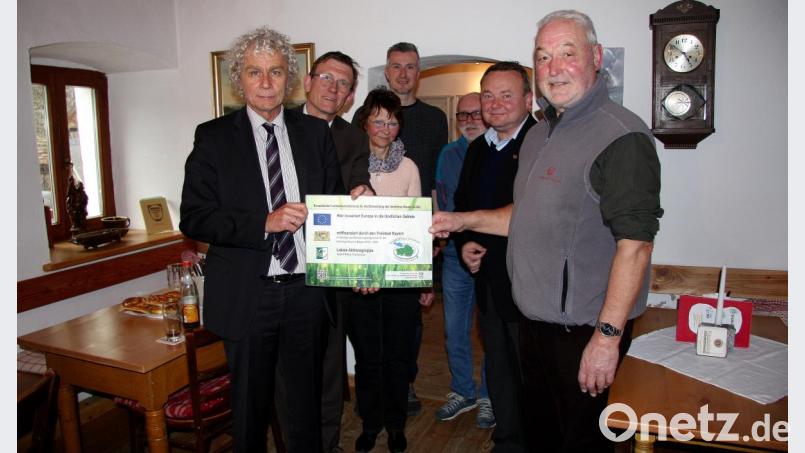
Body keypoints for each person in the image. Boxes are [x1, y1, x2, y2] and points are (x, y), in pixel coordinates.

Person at [430, 10, 663, 452]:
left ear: (596, 58)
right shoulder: (541, 135)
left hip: (583, 333)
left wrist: (606, 339)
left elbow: (636, 247)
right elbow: (527, 214)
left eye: (567, 54)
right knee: (540, 438)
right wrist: (461, 221)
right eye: (543, 57)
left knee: (581, 444)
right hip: (532, 325)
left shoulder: (622, 135)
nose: (554, 68)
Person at [179, 26, 344, 452]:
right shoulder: (213, 138)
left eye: (275, 72)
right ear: (239, 80)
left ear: (290, 78)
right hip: (248, 294)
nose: (266, 83)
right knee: (250, 410)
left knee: (305, 407)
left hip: (307, 291)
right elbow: (195, 218)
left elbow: (332, 206)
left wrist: (356, 207)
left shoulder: (315, 133)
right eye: (255, 72)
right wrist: (263, 223)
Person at [274, 50, 372, 453]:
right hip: (281, 269)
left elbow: (354, 198)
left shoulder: (353, 138)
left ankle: (326, 445)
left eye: (344, 83)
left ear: (350, 96)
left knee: (331, 368)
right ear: (309, 82)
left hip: (330, 270)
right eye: (327, 78)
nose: (334, 88)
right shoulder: (277, 125)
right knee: (285, 373)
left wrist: (362, 197)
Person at [454, 62, 535, 452]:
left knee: (532, 378)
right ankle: (507, 442)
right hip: (488, 284)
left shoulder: (542, 144)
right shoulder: (477, 150)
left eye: (507, 95)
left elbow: (534, 216)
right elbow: (463, 204)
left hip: (531, 290)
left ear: (528, 99)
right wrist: (464, 243)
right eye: (488, 95)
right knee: (500, 372)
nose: (496, 103)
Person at [348, 87, 431, 453]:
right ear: (365, 122)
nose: (385, 127)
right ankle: (370, 423)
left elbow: (419, 226)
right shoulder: (350, 163)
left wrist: (426, 277)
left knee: (399, 356)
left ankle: (396, 424)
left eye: (392, 121)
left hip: (400, 281)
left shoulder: (409, 167)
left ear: (399, 126)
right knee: (367, 358)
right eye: (378, 120)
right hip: (359, 281)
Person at [374, 41, 448, 415]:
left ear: (419, 74)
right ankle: (376, 387)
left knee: (410, 319)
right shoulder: (369, 114)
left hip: (414, 233)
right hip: (370, 233)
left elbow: (437, 180)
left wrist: (434, 232)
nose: (403, 73)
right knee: (372, 317)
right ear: (387, 71)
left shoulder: (435, 118)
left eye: (411, 67)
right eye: (396, 66)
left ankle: (405, 385)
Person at [432, 92, 495, 429]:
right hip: (457, 254)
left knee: (489, 330)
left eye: (475, 114)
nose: (469, 120)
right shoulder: (448, 153)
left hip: (491, 256)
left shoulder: (497, 150)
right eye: (463, 115)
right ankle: (462, 391)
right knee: (454, 328)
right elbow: (443, 201)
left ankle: (488, 396)